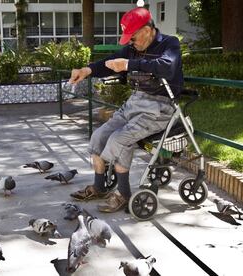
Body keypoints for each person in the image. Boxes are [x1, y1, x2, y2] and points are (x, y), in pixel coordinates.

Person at [69, 7, 184, 212]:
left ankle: (123, 194)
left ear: (148, 30)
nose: (131, 42)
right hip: (135, 102)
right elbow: (109, 63)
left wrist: (130, 64)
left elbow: (167, 66)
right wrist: (86, 70)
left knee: (119, 140)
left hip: (160, 107)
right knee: (98, 136)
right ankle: (99, 186)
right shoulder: (132, 49)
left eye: (133, 37)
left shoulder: (169, 43)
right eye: (129, 39)